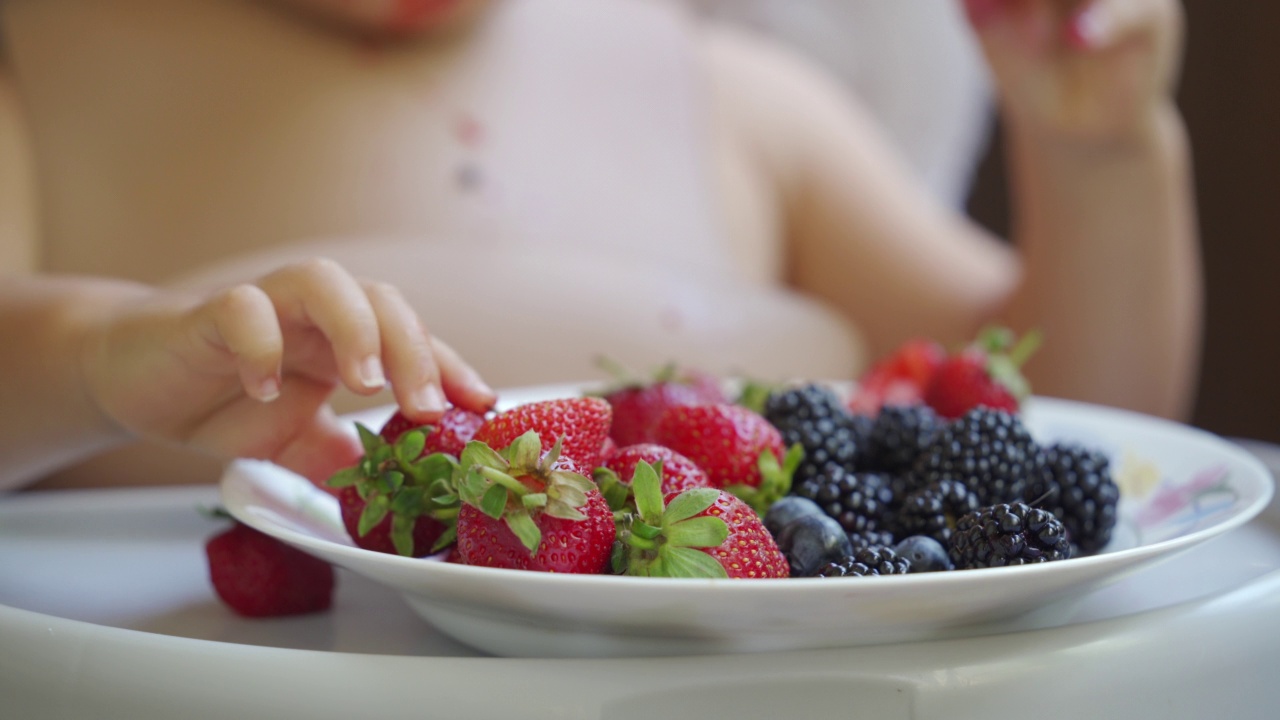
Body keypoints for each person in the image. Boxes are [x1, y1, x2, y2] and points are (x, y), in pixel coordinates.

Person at [0, 0, 1199, 492]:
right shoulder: (46, 59)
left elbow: (1066, 424)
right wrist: (105, 356)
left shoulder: (721, 86)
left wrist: (1094, 156)